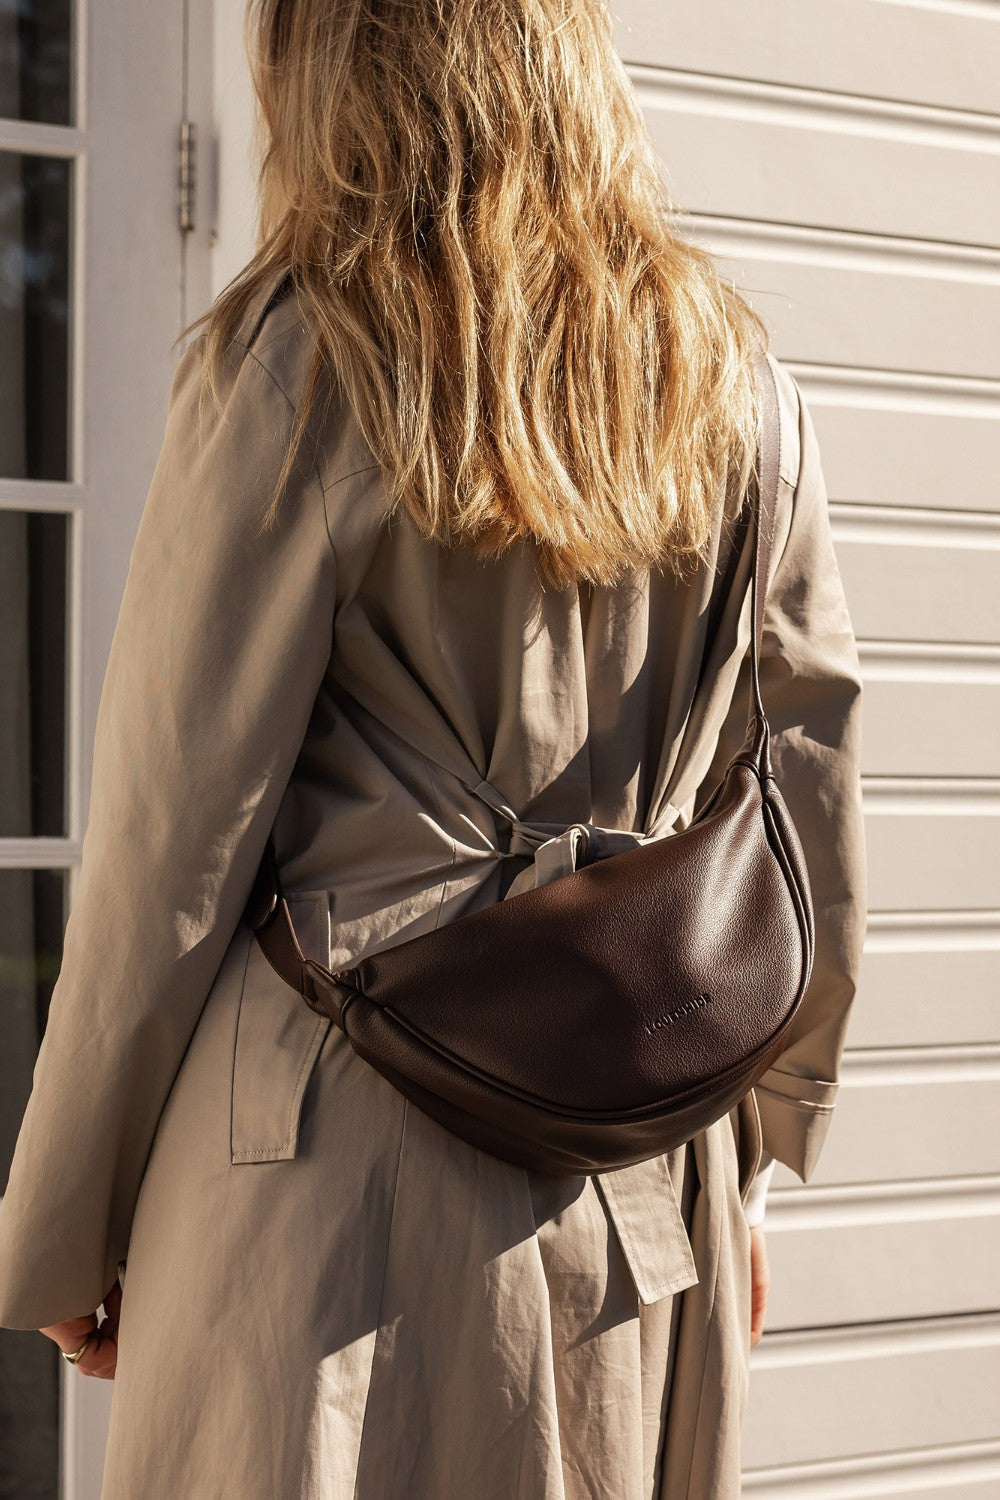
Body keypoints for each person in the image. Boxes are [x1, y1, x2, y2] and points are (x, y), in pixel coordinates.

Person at [0, 1, 866, 1495]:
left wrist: (62, 1230)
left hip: (330, 1192)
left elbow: (170, 854)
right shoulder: (735, 391)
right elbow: (807, 806)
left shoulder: (302, 362)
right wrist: (766, 1162)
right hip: (638, 1189)